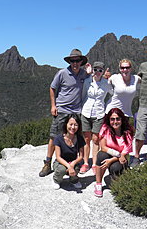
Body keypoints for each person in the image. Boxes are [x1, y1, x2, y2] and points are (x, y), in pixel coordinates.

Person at [39, 49, 89, 177]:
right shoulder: (62, 73)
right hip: (62, 110)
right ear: (70, 61)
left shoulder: (84, 74)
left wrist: (97, 74)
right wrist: (53, 105)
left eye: (78, 61)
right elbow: (52, 88)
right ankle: (47, 163)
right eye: (73, 61)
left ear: (81, 61)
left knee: (76, 137)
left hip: (77, 111)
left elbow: (96, 79)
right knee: (54, 136)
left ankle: (74, 163)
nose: (75, 63)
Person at [80, 61, 112, 175]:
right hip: (86, 112)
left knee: (95, 139)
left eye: (100, 70)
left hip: (99, 113)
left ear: (103, 72)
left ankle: (94, 163)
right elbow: (83, 94)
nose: (97, 72)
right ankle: (85, 163)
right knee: (86, 139)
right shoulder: (87, 81)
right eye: (96, 69)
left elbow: (114, 94)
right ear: (93, 70)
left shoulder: (106, 83)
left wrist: (107, 107)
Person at [94, 108, 134, 197]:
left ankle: (111, 178)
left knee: (115, 168)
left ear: (122, 120)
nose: (115, 122)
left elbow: (125, 155)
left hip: (120, 160)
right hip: (116, 155)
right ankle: (98, 184)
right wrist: (117, 154)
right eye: (112, 119)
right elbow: (103, 147)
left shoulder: (127, 133)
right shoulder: (105, 129)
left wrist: (111, 160)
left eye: (117, 119)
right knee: (101, 155)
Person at [52, 114, 86, 189]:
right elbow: (58, 157)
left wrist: (73, 163)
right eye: (71, 124)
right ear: (66, 124)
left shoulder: (79, 138)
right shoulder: (59, 138)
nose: (73, 127)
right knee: (62, 170)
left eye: (76, 125)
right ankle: (56, 180)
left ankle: (73, 180)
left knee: (76, 168)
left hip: (73, 161)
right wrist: (69, 166)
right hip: (60, 162)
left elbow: (81, 156)